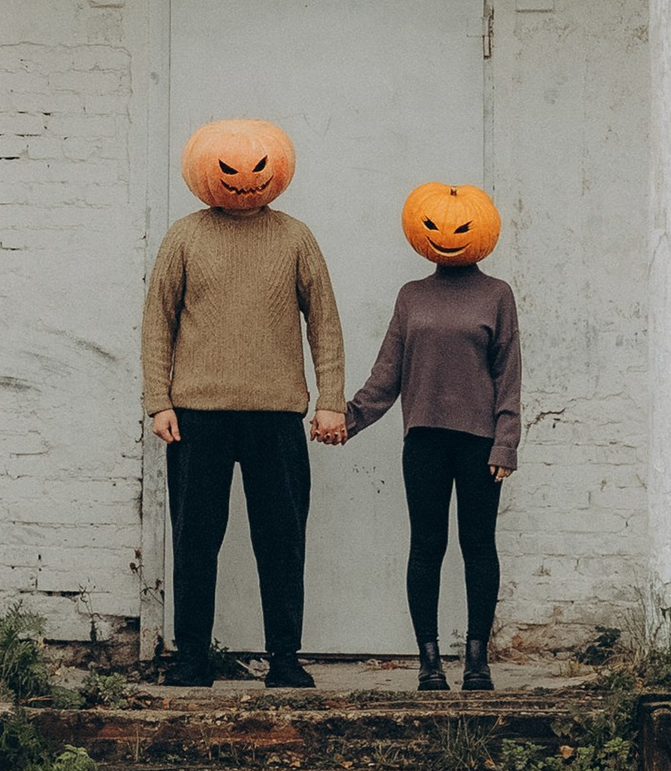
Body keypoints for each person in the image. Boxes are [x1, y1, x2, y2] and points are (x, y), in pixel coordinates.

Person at [142, 113, 346, 689]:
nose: (244, 179)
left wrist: (330, 400)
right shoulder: (184, 236)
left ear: (274, 172)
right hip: (196, 418)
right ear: (207, 174)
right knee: (195, 542)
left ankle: (285, 658)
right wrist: (159, 399)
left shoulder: (295, 236)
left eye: (257, 168)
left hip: (277, 417)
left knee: (281, 542)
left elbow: (324, 322)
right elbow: (157, 321)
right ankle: (191, 660)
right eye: (229, 170)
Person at [345, 178, 519, 693]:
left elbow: (508, 373)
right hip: (423, 441)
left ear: (480, 232)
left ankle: (477, 662)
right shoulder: (412, 296)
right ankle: (429, 663)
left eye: (462, 228)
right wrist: (349, 419)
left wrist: (505, 441)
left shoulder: (497, 295)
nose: (449, 236)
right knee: (426, 547)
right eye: (439, 228)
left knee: (478, 546)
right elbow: (388, 374)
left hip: (480, 445)